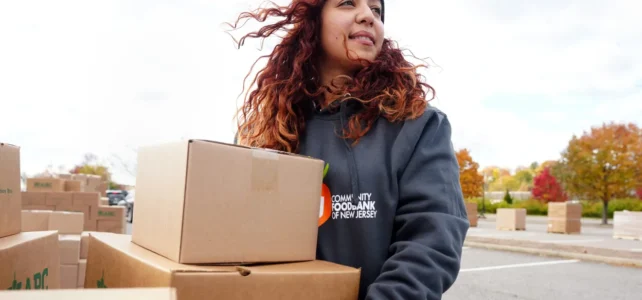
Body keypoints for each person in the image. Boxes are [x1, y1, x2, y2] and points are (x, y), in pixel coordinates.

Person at [229, 0, 470, 299]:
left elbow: (431, 243)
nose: (369, 16)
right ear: (313, 20)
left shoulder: (417, 125)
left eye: (377, 11)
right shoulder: (269, 130)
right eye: (347, 3)